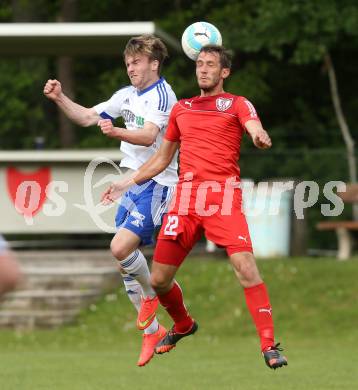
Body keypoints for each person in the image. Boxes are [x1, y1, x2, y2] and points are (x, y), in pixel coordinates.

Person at [102, 45, 288, 370]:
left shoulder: (236, 104)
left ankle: (269, 345)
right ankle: (184, 324)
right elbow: (162, 158)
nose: (202, 69)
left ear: (224, 72)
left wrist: (259, 135)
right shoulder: (182, 109)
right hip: (185, 201)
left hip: (222, 198)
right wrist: (126, 183)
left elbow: (253, 125)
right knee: (159, 281)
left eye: (210, 65)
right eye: (199, 64)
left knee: (245, 267)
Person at [43, 35, 178, 366]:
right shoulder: (126, 96)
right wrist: (60, 98)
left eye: (137, 62)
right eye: (128, 63)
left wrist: (117, 132)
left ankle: (151, 298)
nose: (131, 68)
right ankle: (153, 331)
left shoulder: (163, 95)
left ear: (154, 64)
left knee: (120, 248)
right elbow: (89, 116)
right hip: (133, 181)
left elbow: (148, 136)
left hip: (158, 181)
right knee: (124, 259)